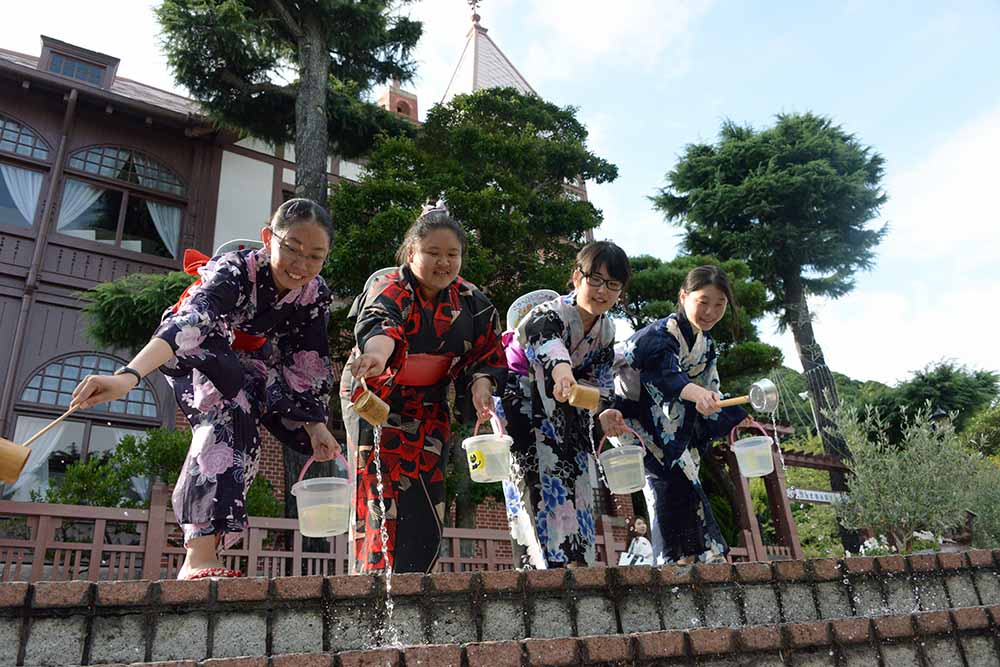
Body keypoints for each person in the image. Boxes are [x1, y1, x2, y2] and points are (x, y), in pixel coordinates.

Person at [71, 198, 340, 580]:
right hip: (197, 347)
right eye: (292, 248)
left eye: (315, 256)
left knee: (245, 424)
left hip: (252, 362)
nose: (301, 265)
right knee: (229, 409)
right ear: (268, 238)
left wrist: (315, 425)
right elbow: (190, 322)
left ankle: (208, 551)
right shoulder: (233, 269)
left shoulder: (315, 294)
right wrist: (127, 377)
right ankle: (197, 555)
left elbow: (306, 360)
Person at [341, 207, 506, 574]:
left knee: (426, 493)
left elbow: (487, 354)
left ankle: (418, 581)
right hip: (376, 391)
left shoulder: (474, 302)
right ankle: (372, 583)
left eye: (452, 254)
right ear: (411, 252)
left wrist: (482, 385)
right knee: (378, 488)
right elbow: (382, 325)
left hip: (429, 402)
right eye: (433, 253)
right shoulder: (390, 285)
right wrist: (376, 355)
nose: (443, 263)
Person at [500, 241, 631, 568]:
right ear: (576, 278)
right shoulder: (548, 313)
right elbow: (550, 345)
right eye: (595, 280)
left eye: (613, 285)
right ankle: (539, 568)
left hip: (567, 404)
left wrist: (605, 410)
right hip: (524, 398)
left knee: (577, 476)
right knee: (535, 481)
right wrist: (562, 374)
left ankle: (577, 563)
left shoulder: (607, 330)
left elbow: (601, 381)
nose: (603, 291)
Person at [613, 265, 748, 565]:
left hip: (669, 423)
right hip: (632, 418)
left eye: (719, 304)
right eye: (703, 302)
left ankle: (694, 555)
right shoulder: (662, 334)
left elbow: (711, 389)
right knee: (670, 483)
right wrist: (697, 395)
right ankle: (679, 557)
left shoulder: (706, 343)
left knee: (685, 479)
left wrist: (733, 413)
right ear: (684, 296)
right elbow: (667, 378)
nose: (711, 312)